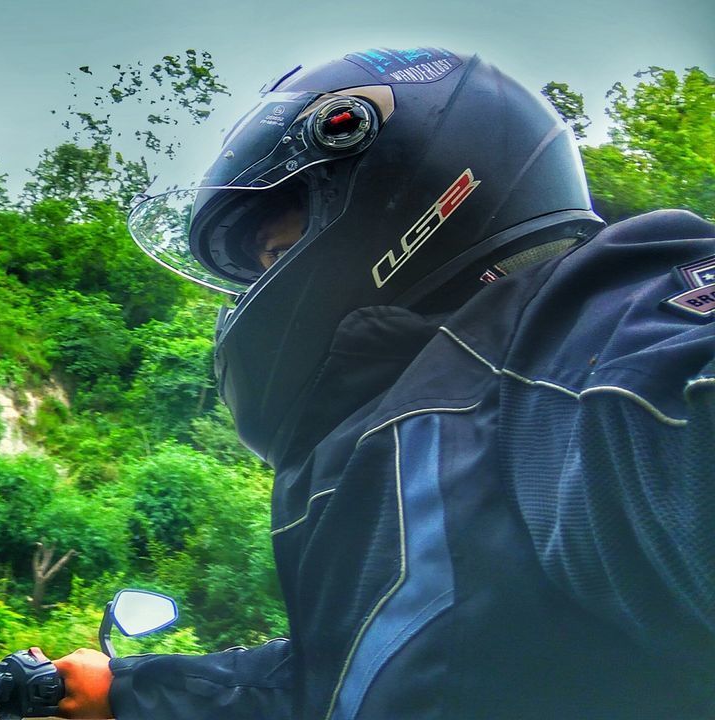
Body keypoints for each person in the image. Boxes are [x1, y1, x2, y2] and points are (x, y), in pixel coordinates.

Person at [50, 47, 715, 719]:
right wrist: (127, 690)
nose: (262, 292)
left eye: (276, 253)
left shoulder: (588, 343)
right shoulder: (428, 420)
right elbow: (359, 671)